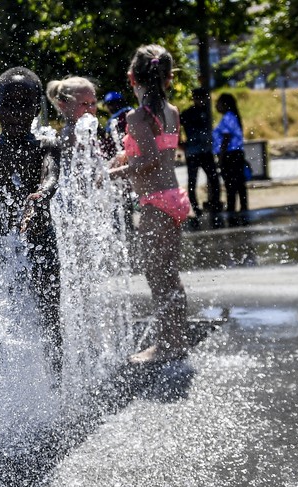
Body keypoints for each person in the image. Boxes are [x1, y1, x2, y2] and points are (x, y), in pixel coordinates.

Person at [0, 67, 63, 385]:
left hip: (41, 239)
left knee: (49, 316)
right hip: (1, 244)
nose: (16, 112)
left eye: (25, 104)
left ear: (36, 108)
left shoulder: (46, 145)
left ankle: (55, 388)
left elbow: (51, 178)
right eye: (8, 103)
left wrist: (40, 196)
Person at [110, 45, 190, 363]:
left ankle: (166, 346)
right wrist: (128, 155)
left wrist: (113, 172)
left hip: (155, 204)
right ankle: (177, 340)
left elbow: (150, 159)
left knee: (158, 277)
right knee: (169, 275)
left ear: (132, 78)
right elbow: (160, 151)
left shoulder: (138, 116)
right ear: (168, 79)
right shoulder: (171, 111)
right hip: (174, 198)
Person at [180, 87, 223, 219]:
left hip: (205, 151)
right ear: (194, 99)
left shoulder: (206, 112)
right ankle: (195, 208)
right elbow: (175, 127)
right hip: (193, 152)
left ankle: (215, 205)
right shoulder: (188, 113)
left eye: (203, 98)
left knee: (214, 179)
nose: (201, 100)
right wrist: (180, 144)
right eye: (199, 98)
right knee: (193, 182)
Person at [214, 92, 248, 225]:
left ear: (225, 104)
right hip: (236, 154)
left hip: (230, 155)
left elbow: (226, 139)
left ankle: (232, 212)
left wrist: (221, 158)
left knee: (231, 184)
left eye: (219, 102)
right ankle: (242, 209)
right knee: (239, 184)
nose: (217, 105)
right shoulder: (233, 116)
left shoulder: (228, 117)